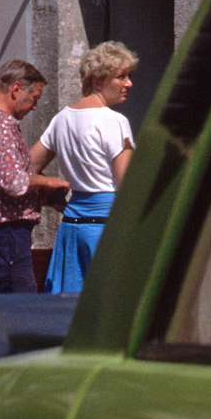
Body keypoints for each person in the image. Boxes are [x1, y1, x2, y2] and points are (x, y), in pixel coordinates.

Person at [33, 42, 137, 293]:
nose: (129, 83)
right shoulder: (115, 121)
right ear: (97, 82)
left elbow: (28, 167)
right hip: (104, 227)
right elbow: (128, 187)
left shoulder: (62, 118)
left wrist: (54, 196)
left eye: (129, 76)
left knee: (66, 312)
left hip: (72, 226)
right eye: (121, 77)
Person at [0, 60, 69, 295]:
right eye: (35, 98)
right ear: (16, 89)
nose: (34, 107)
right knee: (17, 314)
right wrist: (45, 181)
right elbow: (14, 183)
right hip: (4, 237)